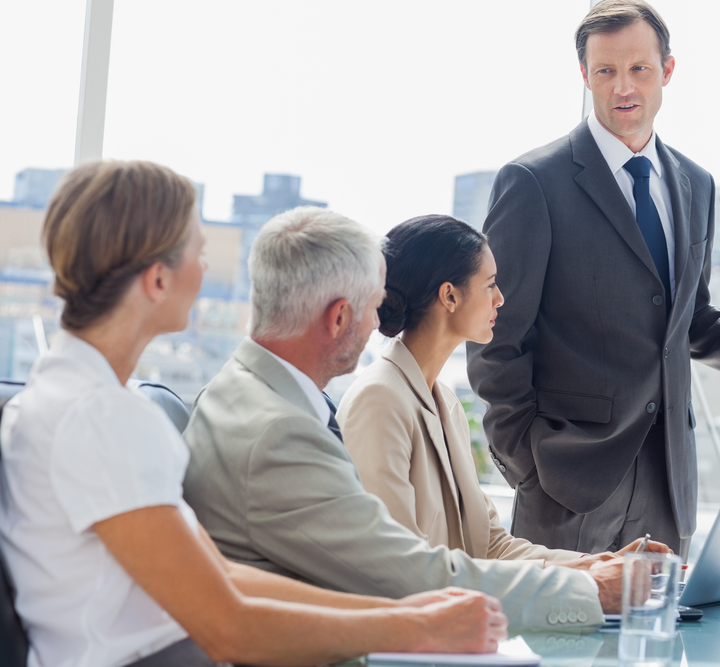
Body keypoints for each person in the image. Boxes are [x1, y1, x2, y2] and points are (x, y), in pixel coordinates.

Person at [0, 161, 506, 667]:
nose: (206, 270)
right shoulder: (102, 418)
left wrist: (409, 614)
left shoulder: (79, 394)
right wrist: (414, 627)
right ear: (157, 279)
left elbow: (219, 575)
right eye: (198, 253)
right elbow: (228, 627)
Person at [466, 0, 720, 559]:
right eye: (605, 71)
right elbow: (494, 337)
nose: (623, 86)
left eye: (639, 69)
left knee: (656, 641)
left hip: (667, 479)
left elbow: (687, 319)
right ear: (585, 76)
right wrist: (529, 465)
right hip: (568, 482)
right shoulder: (535, 182)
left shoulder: (695, 184)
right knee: (558, 640)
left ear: (667, 71)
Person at [182, 206, 625, 630]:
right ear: (339, 317)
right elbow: (403, 574)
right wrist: (588, 589)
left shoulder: (249, 396)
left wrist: (594, 568)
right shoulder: (287, 429)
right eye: (374, 305)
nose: (381, 320)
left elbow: (480, 544)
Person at [338, 215, 669, 562]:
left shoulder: (444, 402)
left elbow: (490, 544)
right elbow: (399, 564)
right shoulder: (379, 401)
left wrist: (597, 564)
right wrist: (590, 586)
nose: (500, 299)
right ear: (449, 296)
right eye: (490, 284)